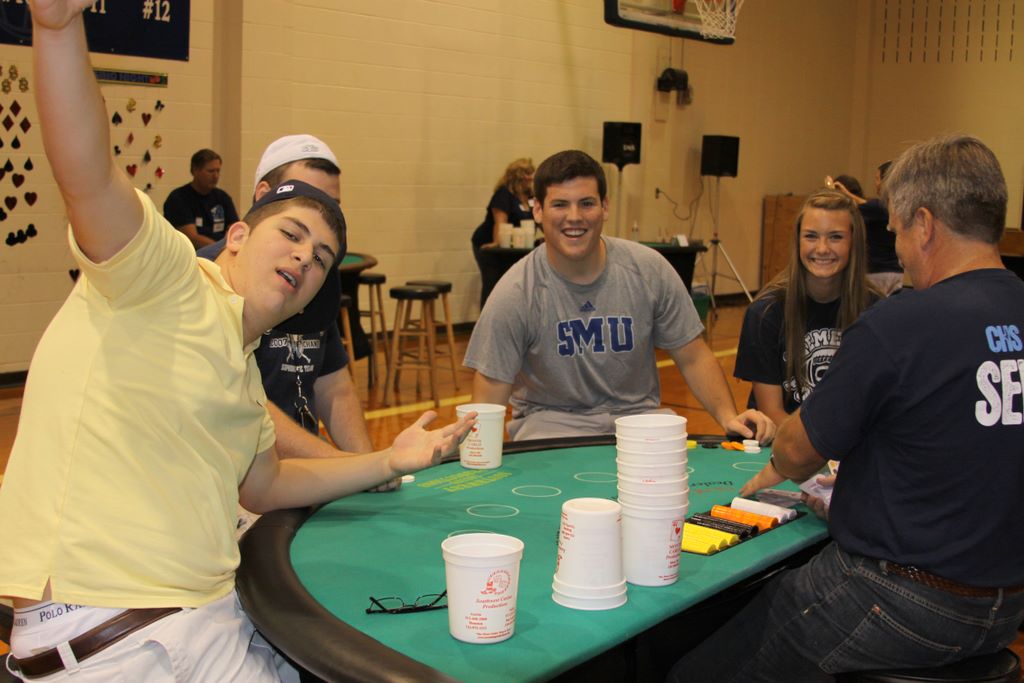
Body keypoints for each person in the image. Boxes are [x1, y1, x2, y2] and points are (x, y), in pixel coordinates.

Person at [0, 5, 473, 681]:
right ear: (240, 235)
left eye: (322, 258)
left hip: (204, 616)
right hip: (120, 634)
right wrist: (55, 29)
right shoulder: (162, 276)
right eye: (292, 235)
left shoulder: (242, 370)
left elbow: (266, 482)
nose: (306, 257)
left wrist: (387, 459)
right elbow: (88, 175)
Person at [668, 135, 1024, 682]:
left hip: (899, 598)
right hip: (1007, 607)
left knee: (692, 672)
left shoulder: (901, 323)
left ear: (925, 225)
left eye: (897, 232)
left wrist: (779, 466)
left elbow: (795, 450)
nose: (898, 250)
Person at [464, 149, 774, 443]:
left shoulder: (648, 269)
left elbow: (692, 355)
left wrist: (727, 416)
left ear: (605, 207)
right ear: (537, 210)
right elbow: (491, 385)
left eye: (587, 203)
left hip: (638, 419)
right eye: (560, 205)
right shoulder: (516, 291)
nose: (574, 216)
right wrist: (476, 455)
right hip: (552, 423)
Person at [197, 136, 382, 502]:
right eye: (294, 229)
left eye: (332, 206)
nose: (305, 254)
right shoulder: (194, 284)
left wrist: (369, 472)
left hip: (290, 482)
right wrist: (359, 469)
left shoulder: (312, 286)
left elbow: (334, 385)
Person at [734, 189, 877, 426]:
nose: (822, 249)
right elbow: (772, 413)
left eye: (835, 237)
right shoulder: (765, 313)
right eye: (811, 236)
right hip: (784, 442)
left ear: (854, 242)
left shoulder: (876, 312)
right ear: (797, 241)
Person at [832, 162, 904, 295]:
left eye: (877, 178)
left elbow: (868, 205)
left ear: (886, 180)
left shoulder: (881, 206)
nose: (875, 183)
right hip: (895, 271)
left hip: (877, 272)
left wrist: (843, 193)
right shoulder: (894, 206)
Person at [471, 158, 535, 307]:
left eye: (531, 172)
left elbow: (540, 218)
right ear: (516, 175)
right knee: (493, 284)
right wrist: (497, 242)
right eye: (526, 173)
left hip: (514, 248)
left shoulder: (531, 196)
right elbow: (500, 221)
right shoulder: (503, 194)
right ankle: (487, 318)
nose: (530, 177)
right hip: (488, 245)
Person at [163, 147, 240, 249]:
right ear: (195, 171)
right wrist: (220, 249)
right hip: (193, 254)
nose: (215, 176)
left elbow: (234, 228)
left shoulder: (222, 197)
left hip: (222, 250)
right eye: (210, 171)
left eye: (218, 171)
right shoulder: (178, 198)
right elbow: (192, 237)